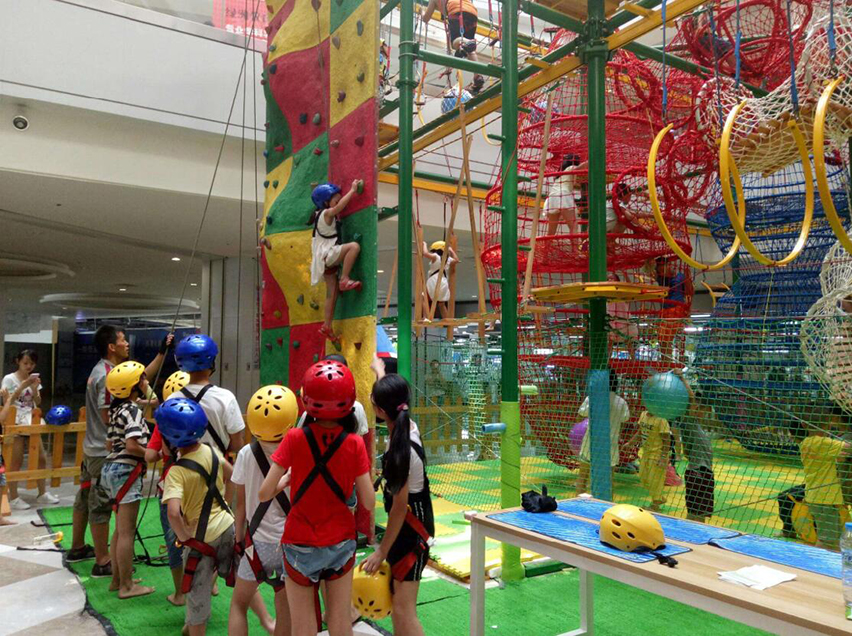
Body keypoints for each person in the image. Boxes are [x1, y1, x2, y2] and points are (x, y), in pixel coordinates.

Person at [259, 360, 375, 636]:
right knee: (340, 621)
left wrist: (287, 480)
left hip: (298, 542)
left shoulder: (294, 437)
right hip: (341, 542)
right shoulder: (354, 443)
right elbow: (369, 503)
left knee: (303, 626)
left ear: (306, 399)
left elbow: (264, 493)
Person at [69, 325, 173, 575]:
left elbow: (138, 378)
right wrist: (137, 418)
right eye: (123, 340)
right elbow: (109, 416)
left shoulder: (106, 371)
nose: (127, 343)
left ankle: (78, 547)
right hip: (103, 452)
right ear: (111, 347)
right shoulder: (106, 376)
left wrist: (161, 353)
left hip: (93, 448)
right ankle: (103, 560)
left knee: (85, 497)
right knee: (100, 505)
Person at [362, 372, 433, 636]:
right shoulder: (405, 427)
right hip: (408, 528)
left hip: (411, 533)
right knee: (397, 603)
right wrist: (380, 375)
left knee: (403, 608)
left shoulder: (401, 452)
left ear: (381, 411)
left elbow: (400, 509)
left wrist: (381, 551)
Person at [159, 397, 235, 636]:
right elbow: (232, 475)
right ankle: (265, 618)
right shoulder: (211, 451)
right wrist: (226, 503)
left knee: (197, 599)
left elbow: (173, 512)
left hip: (200, 541)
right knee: (240, 580)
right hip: (227, 527)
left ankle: (194, 627)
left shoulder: (177, 472)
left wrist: (185, 538)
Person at [230, 385, 299, 636]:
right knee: (285, 609)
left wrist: (239, 539)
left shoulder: (246, 454)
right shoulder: (298, 453)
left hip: (256, 544)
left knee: (239, 604)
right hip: (289, 543)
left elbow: (240, 504)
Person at [166, 334, 245, 501]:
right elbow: (237, 444)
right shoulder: (225, 398)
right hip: (218, 472)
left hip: (183, 474)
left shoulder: (172, 399)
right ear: (211, 362)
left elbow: (167, 448)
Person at [101, 361, 154, 598]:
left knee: (119, 530)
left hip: (111, 470)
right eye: (142, 378)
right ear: (134, 385)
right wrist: (150, 454)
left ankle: (117, 580)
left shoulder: (117, 410)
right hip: (125, 471)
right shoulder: (132, 410)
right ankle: (127, 586)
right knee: (127, 532)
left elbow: (109, 444)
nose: (145, 381)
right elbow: (132, 445)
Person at [308, 181, 364, 343]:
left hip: (323, 261)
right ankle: (344, 279)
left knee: (332, 294)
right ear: (326, 202)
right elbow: (339, 208)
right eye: (336, 199)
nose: (339, 201)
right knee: (353, 247)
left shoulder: (318, 216)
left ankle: (327, 325)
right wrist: (352, 190)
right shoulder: (326, 213)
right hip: (328, 255)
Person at [2, 349, 57, 508]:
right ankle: (14, 497)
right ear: (18, 362)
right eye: (25, 363)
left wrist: (34, 388)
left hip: (31, 419)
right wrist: (22, 386)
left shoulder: (33, 379)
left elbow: (37, 402)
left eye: (32, 363)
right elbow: (7, 400)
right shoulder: (9, 379)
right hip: (15, 420)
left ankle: (42, 493)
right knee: (16, 460)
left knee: (41, 457)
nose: (28, 366)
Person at [798, 406, 851, 550]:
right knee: (827, 540)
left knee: (833, 536)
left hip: (816, 496)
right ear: (829, 424)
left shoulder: (805, 443)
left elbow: (838, 456)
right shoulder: (823, 443)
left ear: (803, 425)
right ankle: (816, 562)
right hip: (824, 499)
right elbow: (848, 447)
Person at [575, 372, 630, 496]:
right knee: (609, 480)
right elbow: (625, 420)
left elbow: (579, 417)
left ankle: (578, 504)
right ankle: (607, 504)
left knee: (583, 477)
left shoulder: (592, 398)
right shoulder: (621, 402)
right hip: (610, 445)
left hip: (591, 443)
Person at [671, 370, 715, 522]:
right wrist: (682, 377)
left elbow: (687, 451)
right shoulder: (689, 422)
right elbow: (691, 398)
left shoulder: (698, 427)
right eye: (699, 408)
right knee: (695, 513)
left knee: (701, 514)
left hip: (705, 472)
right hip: (697, 472)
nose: (702, 411)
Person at [0, 375, 40, 525]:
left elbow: (3, 418)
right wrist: (10, 398)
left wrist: (7, 401)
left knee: (1, 483)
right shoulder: (10, 379)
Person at [421, 0, 484, 94]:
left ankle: (467, 42)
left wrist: (421, 11)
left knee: (455, 43)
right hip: (472, 13)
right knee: (470, 51)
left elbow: (426, 18)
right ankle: (478, 76)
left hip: (456, 11)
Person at [625, 405, 671, 511]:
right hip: (646, 452)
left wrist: (663, 457)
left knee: (655, 480)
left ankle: (655, 505)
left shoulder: (661, 419)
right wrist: (630, 443)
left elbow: (667, 440)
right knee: (644, 478)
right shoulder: (643, 415)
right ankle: (659, 498)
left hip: (657, 454)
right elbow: (640, 432)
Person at [656, 258, 693, 362]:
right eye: (660, 268)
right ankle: (666, 362)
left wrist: (688, 278)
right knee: (663, 340)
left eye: (664, 266)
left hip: (676, 310)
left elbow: (689, 291)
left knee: (666, 339)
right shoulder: (661, 279)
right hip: (666, 310)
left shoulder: (680, 276)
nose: (663, 270)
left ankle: (668, 363)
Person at [544, 154, 586, 236]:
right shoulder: (572, 167)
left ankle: (543, 244)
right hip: (563, 196)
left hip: (552, 198)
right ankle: (575, 245)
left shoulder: (560, 174)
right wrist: (589, 161)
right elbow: (579, 169)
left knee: (551, 231)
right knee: (574, 227)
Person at [421, 240, 459, 320]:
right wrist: (451, 250)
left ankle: (426, 317)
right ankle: (447, 319)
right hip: (443, 281)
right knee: (441, 303)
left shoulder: (435, 256)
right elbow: (456, 260)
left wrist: (424, 244)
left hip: (434, 280)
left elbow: (425, 253)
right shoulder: (448, 259)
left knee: (424, 297)